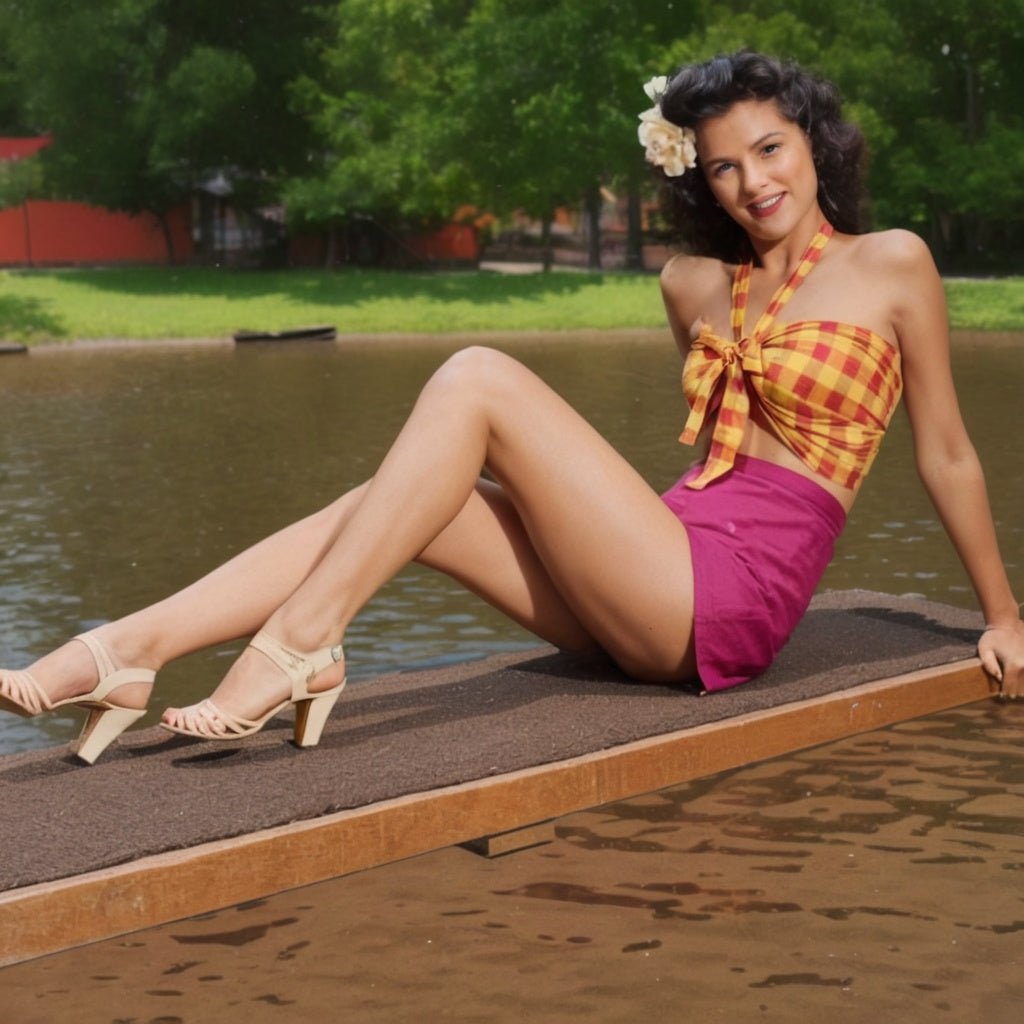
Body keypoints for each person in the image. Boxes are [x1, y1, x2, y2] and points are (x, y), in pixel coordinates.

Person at [3, 51, 1023, 765]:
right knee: (406, 499)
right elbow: (716, 447)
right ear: (698, 177)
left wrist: (1003, 613)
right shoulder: (691, 285)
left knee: (480, 375)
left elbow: (945, 454)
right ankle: (130, 649)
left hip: (727, 601)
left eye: (768, 148)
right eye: (722, 163)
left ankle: (300, 640)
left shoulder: (892, 262)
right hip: (656, 567)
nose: (752, 179)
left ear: (810, 139)